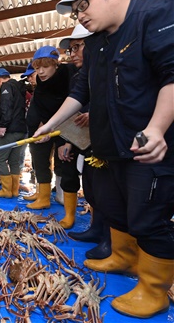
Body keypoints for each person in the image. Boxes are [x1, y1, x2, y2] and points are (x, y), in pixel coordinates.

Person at [34, 0, 174, 318]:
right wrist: (51, 125)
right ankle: (123, 256)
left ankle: (154, 289)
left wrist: (156, 128)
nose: (79, 15)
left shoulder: (156, 15)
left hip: (146, 145)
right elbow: (80, 92)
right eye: (75, 10)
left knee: (149, 217)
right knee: (111, 205)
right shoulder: (97, 44)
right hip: (109, 145)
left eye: (83, 5)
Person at [57, 24, 110, 259]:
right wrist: (69, 140)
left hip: (109, 141)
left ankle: (112, 242)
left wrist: (97, 113)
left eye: (77, 47)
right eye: (71, 49)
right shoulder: (81, 75)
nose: (73, 53)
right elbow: (77, 110)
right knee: (91, 188)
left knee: (109, 193)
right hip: (87, 141)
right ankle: (97, 229)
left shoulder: (107, 66)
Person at [25, 46, 77, 215]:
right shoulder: (41, 83)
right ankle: (43, 197)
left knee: (64, 161)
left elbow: (75, 105)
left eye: (45, 66)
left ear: (56, 63)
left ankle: (64, 201)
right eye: (37, 67)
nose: (40, 71)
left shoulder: (69, 75)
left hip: (70, 126)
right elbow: (41, 106)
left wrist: (66, 138)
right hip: (47, 127)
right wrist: (43, 126)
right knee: (40, 160)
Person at [0, 68, 27, 198]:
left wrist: (3, 126)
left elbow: (6, 107)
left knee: (0, 160)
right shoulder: (19, 86)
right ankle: (15, 190)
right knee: (14, 161)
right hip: (21, 130)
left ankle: (6, 190)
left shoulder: (6, 87)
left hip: (10, 130)